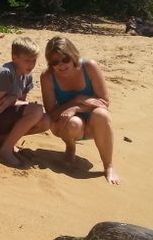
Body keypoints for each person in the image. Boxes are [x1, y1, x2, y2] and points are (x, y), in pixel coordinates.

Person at [39, 36, 121, 185]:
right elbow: (51, 113)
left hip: (94, 124)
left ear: (73, 55)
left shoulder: (89, 66)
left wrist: (77, 107)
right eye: (55, 62)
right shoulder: (47, 77)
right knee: (73, 123)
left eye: (65, 59)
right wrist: (75, 101)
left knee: (101, 114)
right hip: (66, 125)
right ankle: (70, 148)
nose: (61, 65)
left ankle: (108, 165)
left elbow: (104, 102)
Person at [0, 36, 50, 167]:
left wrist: (13, 99)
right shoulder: (6, 73)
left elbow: (20, 104)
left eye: (34, 60)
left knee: (45, 121)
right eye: (27, 60)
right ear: (14, 58)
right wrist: (15, 101)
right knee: (36, 110)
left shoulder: (27, 76)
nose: (31, 64)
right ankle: (5, 151)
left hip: (3, 117)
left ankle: (5, 140)